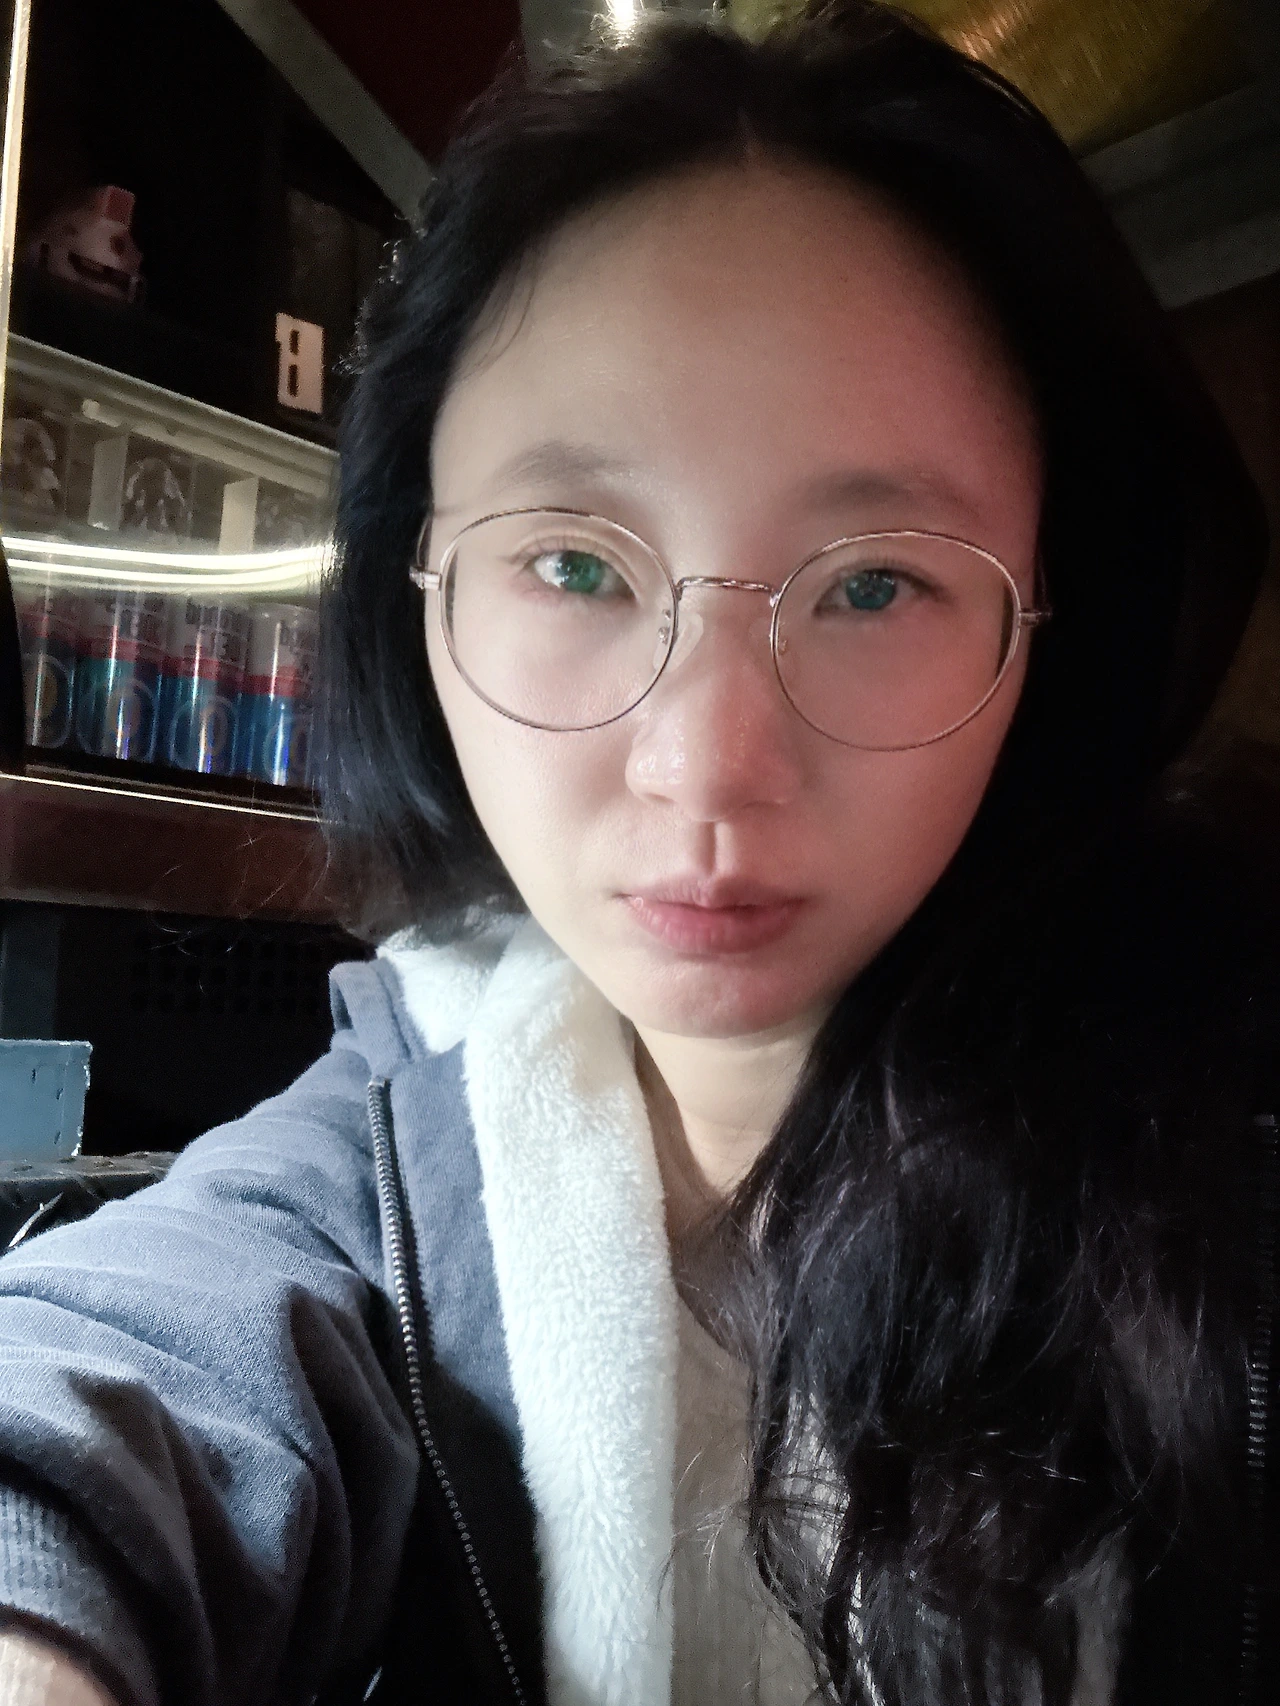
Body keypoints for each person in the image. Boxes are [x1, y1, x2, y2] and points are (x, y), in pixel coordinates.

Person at [0, 5, 1275, 1704]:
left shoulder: (1223, 1131)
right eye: (577, 567)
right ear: (420, 585)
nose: (705, 767)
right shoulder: (400, 1135)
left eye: (876, 583)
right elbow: (99, 1397)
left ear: (1048, 623)